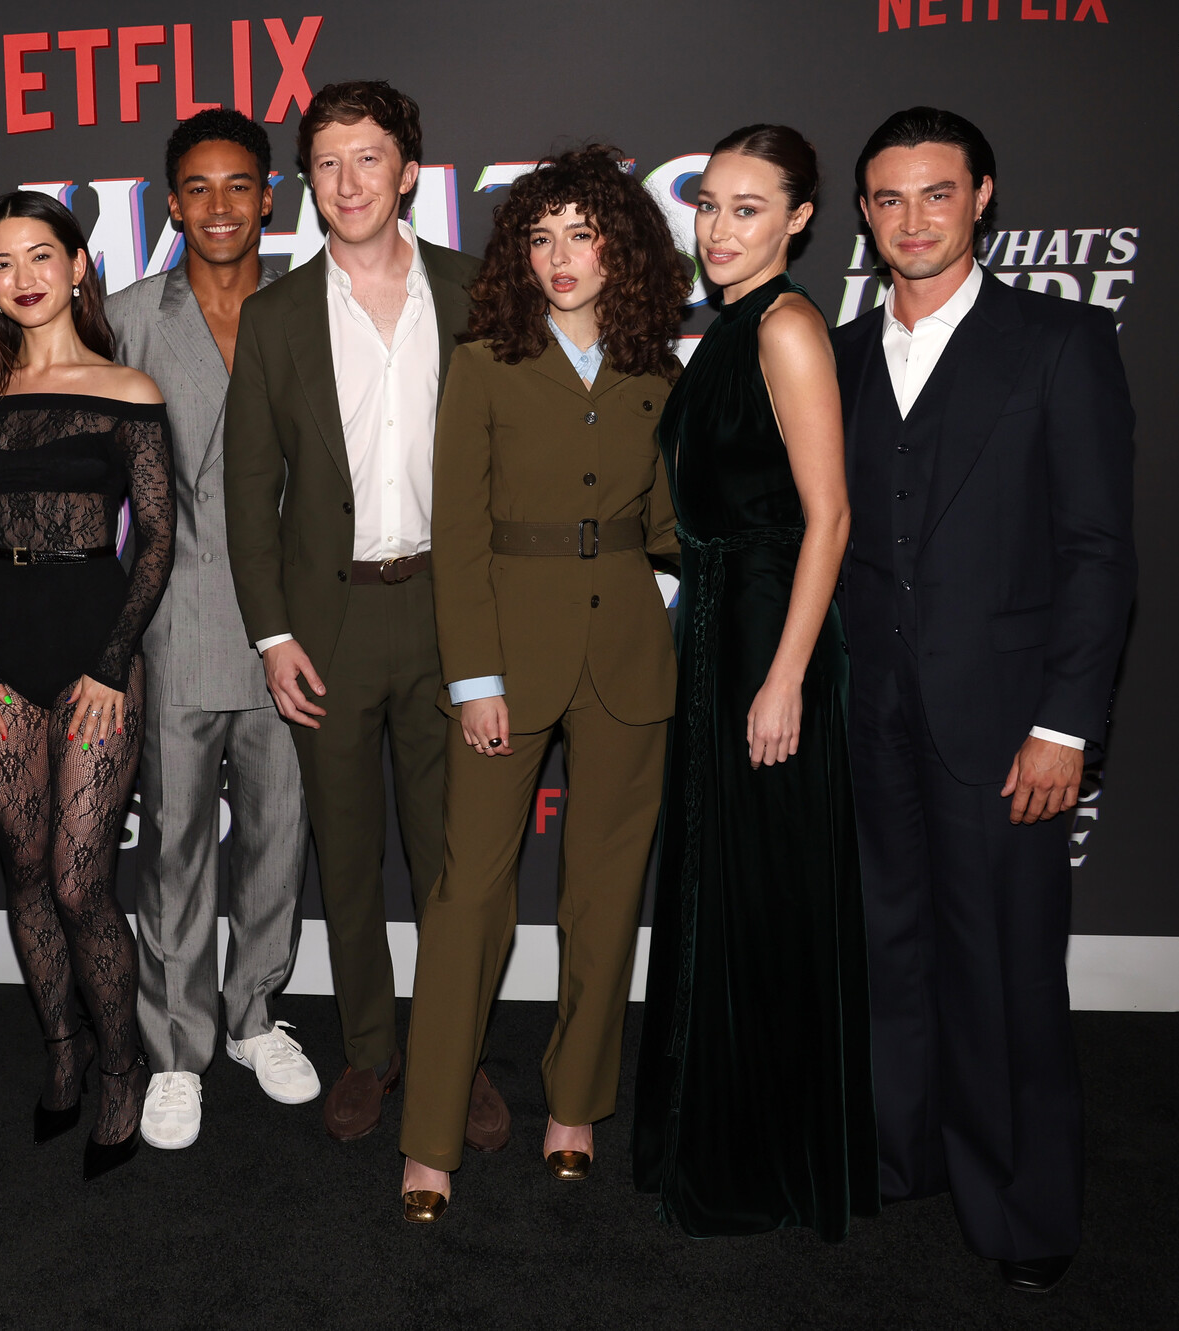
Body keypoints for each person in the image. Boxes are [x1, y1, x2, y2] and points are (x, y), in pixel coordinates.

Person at [835, 108, 1136, 1293]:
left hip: (1009, 720)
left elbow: (1098, 550)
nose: (913, 219)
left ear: (983, 196)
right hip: (866, 712)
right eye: (890, 198)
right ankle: (899, 1152)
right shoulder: (839, 355)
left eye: (938, 193)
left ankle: (1022, 1208)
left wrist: (1065, 723)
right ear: (865, 212)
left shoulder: (1061, 341)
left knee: (1006, 969)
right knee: (886, 948)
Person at [397, 147, 688, 1222]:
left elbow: (673, 524)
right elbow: (459, 529)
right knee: (468, 896)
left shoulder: (660, 368)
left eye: (582, 233)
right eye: (540, 236)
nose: (560, 256)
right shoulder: (484, 361)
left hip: (629, 659)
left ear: (622, 247)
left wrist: (684, 585)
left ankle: (576, 1104)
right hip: (505, 660)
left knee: (605, 895)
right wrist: (475, 675)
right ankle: (430, 1135)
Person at [224, 80, 509, 1148]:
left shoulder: (477, 291)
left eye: (369, 158)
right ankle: (371, 1050)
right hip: (327, 625)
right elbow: (249, 491)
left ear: (408, 172)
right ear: (310, 181)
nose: (348, 183)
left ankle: (456, 1052)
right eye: (327, 163)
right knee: (345, 857)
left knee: (453, 857)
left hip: (449, 613)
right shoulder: (276, 315)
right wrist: (273, 633)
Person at [630, 125, 878, 1240]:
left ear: (799, 219)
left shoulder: (784, 327)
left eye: (748, 208)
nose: (719, 229)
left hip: (770, 631)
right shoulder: (727, 328)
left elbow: (831, 517)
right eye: (709, 205)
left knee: (766, 892)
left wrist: (784, 679)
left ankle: (767, 1159)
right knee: (718, 884)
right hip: (718, 625)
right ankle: (712, 1139)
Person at [0, 191, 174, 1181]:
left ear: (78, 266)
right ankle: (62, 1051)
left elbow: (155, 540)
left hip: (94, 647)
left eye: (41, 255)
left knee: (81, 882)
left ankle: (121, 1065)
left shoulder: (128, 389)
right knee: (26, 872)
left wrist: (114, 661)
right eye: (3, 262)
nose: (24, 277)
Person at [108, 108, 318, 1152]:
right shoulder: (128, 318)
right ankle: (177, 1050)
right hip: (179, 619)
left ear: (269, 196)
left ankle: (254, 1015)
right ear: (173, 203)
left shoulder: (310, 308)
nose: (220, 205)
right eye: (198, 187)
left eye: (240, 184)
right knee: (177, 848)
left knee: (279, 835)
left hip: (297, 626)